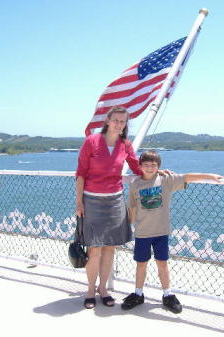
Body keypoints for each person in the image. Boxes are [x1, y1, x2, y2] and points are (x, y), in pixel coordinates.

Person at [121, 150, 224, 314]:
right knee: (141, 264)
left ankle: (167, 294)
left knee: (162, 263)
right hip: (142, 233)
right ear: (140, 166)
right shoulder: (135, 184)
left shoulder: (166, 180)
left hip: (161, 232)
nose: (149, 168)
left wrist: (209, 175)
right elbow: (132, 206)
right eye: (146, 165)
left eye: (153, 165)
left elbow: (187, 177)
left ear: (159, 167)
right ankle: (138, 294)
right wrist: (127, 225)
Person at [75, 106, 143, 309]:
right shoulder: (91, 141)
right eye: (116, 120)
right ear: (107, 121)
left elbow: (137, 168)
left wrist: (157, 172)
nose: (119, 124)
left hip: (114, 201)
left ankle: (102, 289)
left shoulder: (125, 145)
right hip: (92, 201)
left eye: (123, 121)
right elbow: (81, 173)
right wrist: (79, 202)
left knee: (109, 249)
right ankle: (90, 289)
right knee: (94, 249)